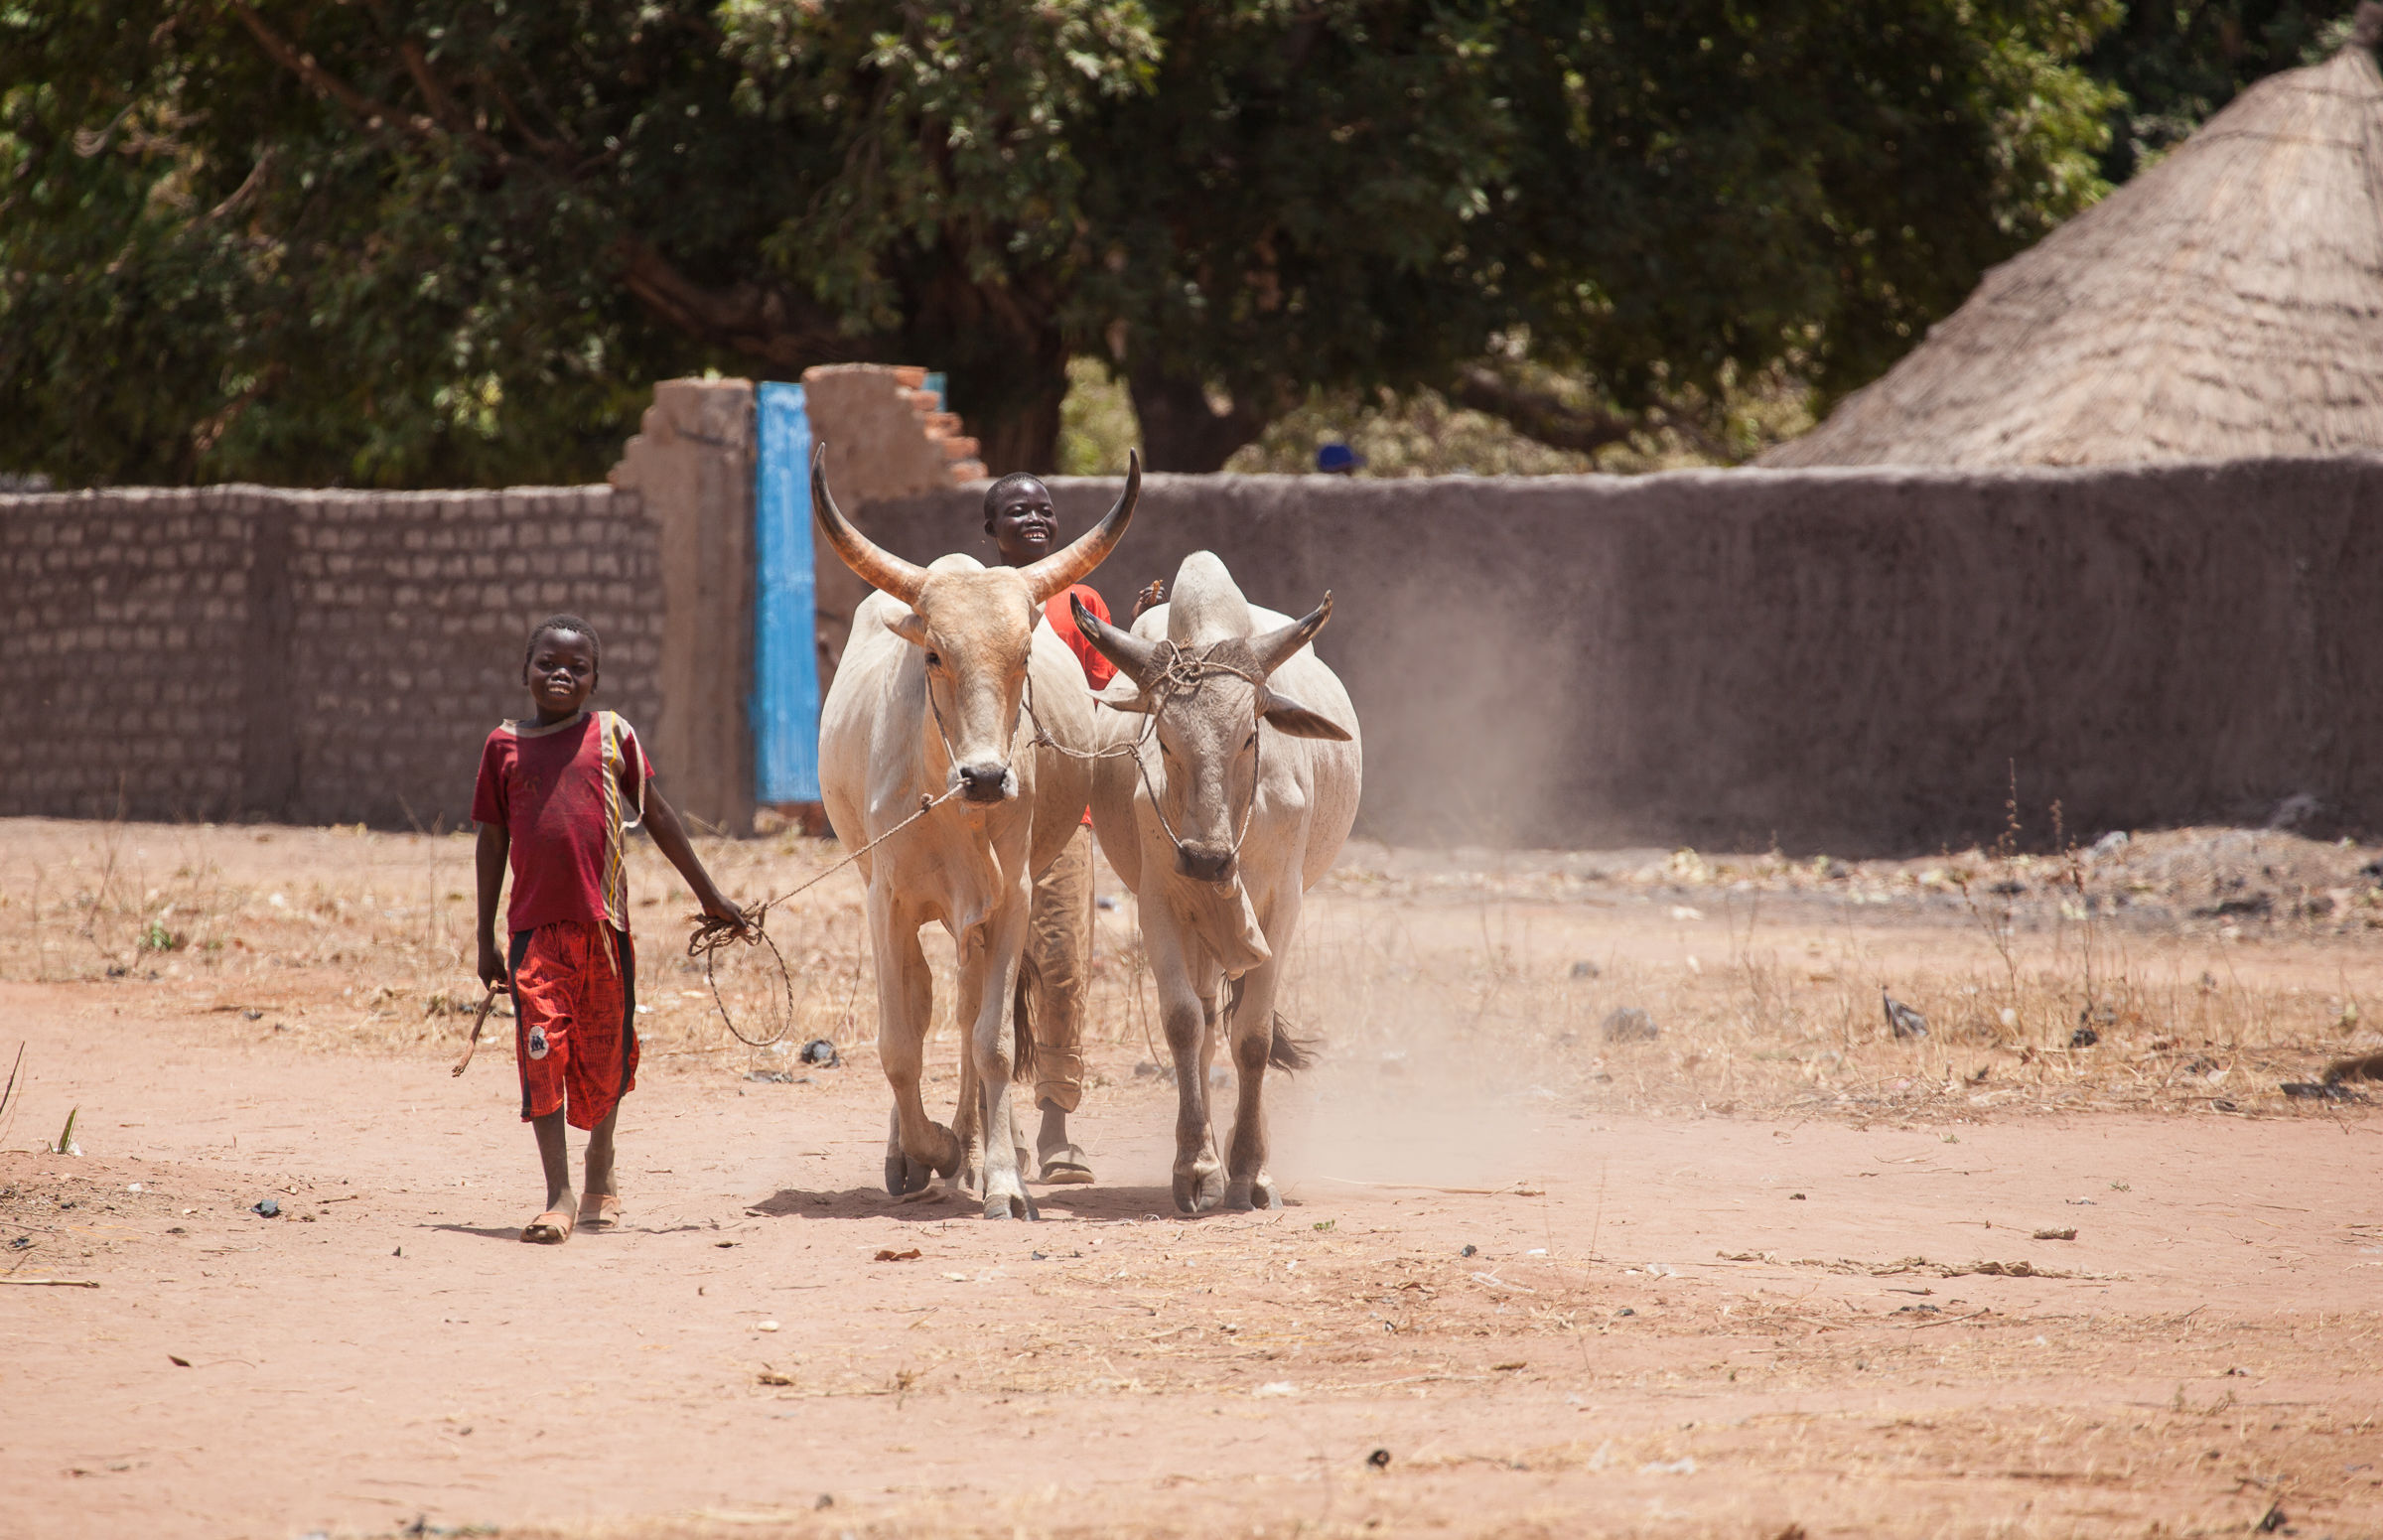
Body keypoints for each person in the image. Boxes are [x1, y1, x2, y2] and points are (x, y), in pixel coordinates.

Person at [473, 615, 746, 1244]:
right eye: (547, 663)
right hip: (534, 936)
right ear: (524, 670)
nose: (561, 674)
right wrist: (484, 937)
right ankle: (559, 1195)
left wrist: (710, 896)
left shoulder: (613, 735)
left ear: (594, 681)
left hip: (604, 933)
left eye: (577, 667)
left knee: (605, 1059)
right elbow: (491, 840)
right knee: (542, 1054)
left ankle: (601, 1163)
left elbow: (660, 816)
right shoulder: (502, 746)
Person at [982, 475, 1162, 1186]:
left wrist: (1133, 634)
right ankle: (994, 1123)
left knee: (1060, 968)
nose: (1035, 518)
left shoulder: (1082, 601)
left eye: (1045, 509)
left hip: (1062, 813)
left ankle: (1056, 1121)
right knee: (985, 967)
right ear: (990, 528)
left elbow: (1103, 697)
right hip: (982, 818)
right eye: (1016, 510)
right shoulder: (974, 600)